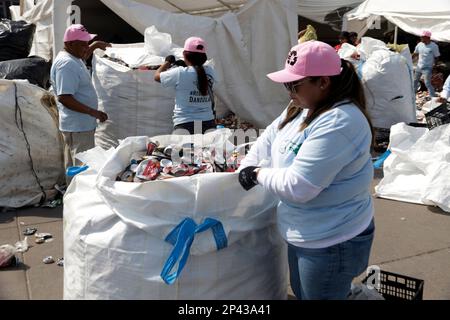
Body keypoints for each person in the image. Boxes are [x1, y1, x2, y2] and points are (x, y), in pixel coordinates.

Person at [238, 41, 375, 300]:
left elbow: (300, 186)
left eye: (294, 85)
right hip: (306, 231)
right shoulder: (301, 107)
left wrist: (256, 174)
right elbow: (269, 137)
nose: (288, 91)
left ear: (323, 82)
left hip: (332, 239)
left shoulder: (341, 121)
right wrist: (248, 164)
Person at [50, 24, 110, 181]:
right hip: (77, 127)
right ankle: (77, 199)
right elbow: (65, 97)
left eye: (87, 43)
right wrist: (93, 112)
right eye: (83, 44)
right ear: (70, 44)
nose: (86, 47)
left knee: (75, 165)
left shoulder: (73, 57)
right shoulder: (66, 64)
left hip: (80, 125)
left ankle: (73, 197)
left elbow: (83, 54)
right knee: (81, 167)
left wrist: (95, 45)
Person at [154, 36, 216, 134]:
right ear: (204, 57)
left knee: (183, 149)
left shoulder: (180, 73)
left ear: (184, 55)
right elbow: (196, 73)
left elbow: (157, 77)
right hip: (208, 123)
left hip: (185, 124)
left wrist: (167, 62)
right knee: (205, 149)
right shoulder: (210, 71)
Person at [413, 31, 440, 98]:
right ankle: (412, 94)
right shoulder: (419, 44)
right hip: (419, 66)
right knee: (415, 81)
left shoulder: (434, 46)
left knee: (427, 83)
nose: (421, 38)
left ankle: (432, 96)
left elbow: (437, 57)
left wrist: (435, 65)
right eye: (421, 37)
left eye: (422, 37)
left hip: (427, 67)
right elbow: (415, 54)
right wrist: (407, 59)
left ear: (427, 37)